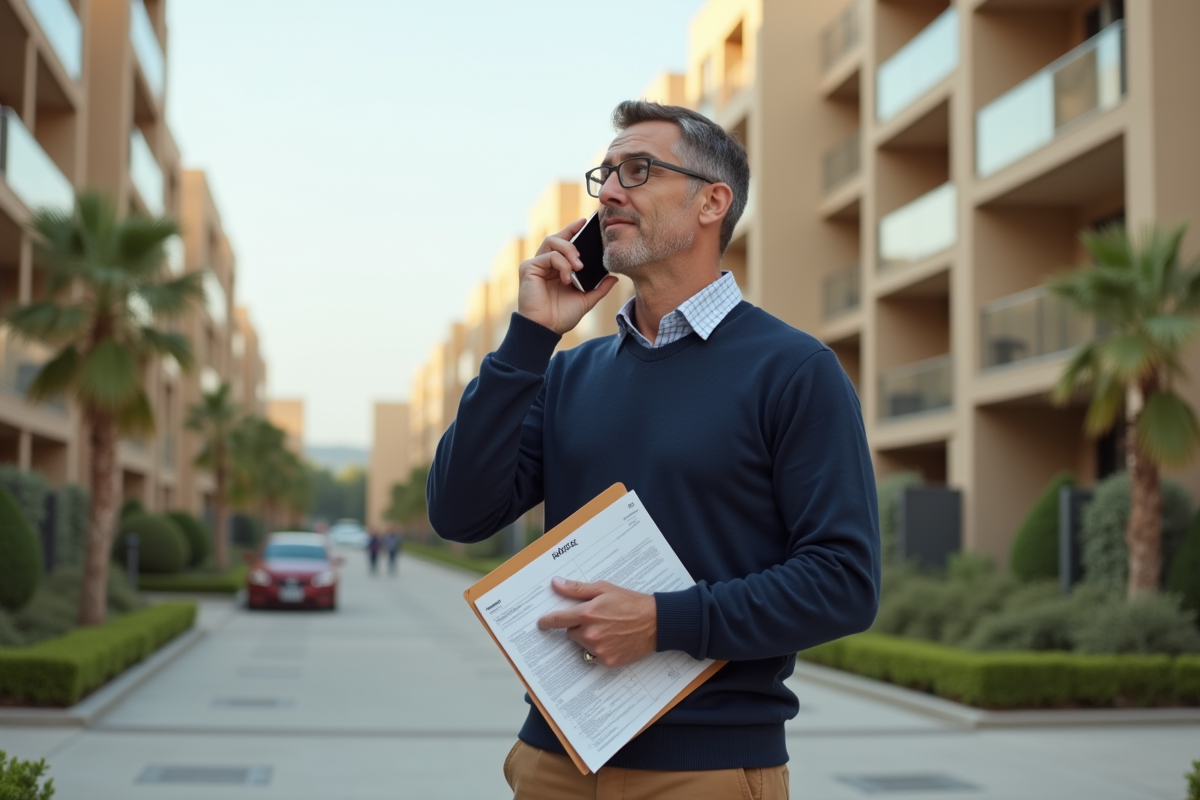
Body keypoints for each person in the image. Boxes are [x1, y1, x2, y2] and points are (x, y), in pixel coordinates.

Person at [428, 101, 880, 799]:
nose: (609, 191)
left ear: (712, 203)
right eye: (605, 175)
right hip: (553, 761)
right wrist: (529, 339)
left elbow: (844, 582)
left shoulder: (794, 371)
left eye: (637, 170)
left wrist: (665, 621)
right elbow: (458, 514)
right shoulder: (568, 373)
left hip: (706, 770)